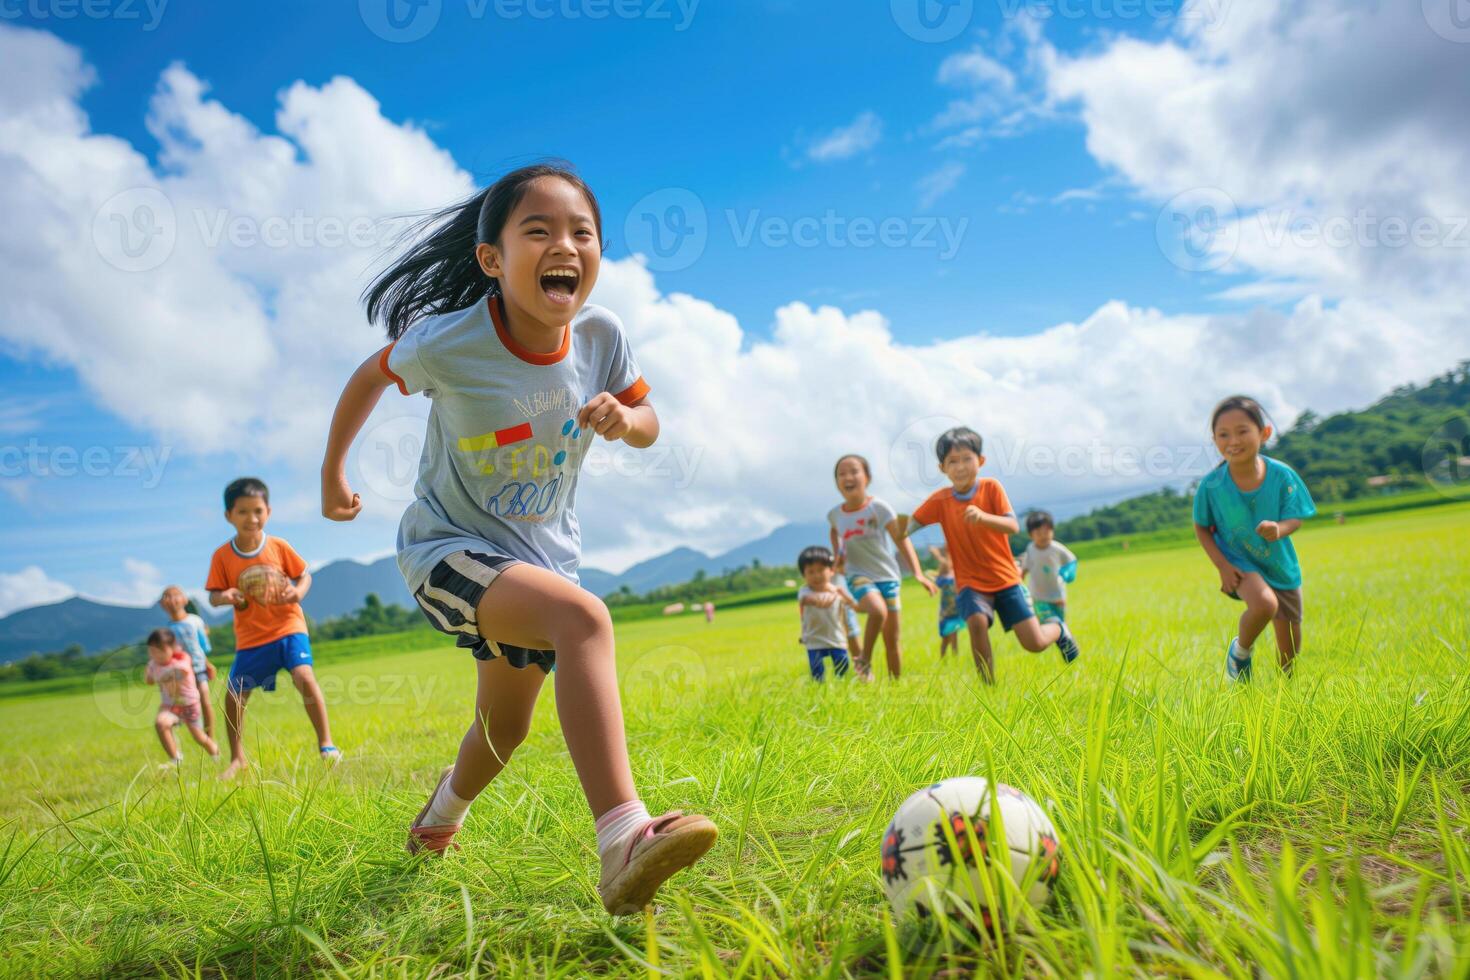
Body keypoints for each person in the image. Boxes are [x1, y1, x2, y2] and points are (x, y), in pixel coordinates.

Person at [319, 163, 716, 914]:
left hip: (539, 562)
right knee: (583, 621)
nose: (563, 244)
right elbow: (369, 376)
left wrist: (625, 421)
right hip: (445, 549)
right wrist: (332, 470)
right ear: (492, 260)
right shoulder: (450, 341)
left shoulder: (601, 336)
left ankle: (434, 825)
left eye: (581, 232)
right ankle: (623, 837)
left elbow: (649, 423)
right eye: (538, 231)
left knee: (504, 727)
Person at [902, 427, 1081, 683]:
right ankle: (989, 688)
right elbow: (906, 527)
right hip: (970, 582)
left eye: (966, 459)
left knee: (1034, 642)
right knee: (975, 622)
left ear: (980, 461)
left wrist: (983, 517)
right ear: (942, 468)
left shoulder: (991, 488)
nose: (960, 466)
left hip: (1005, 579)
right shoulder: (939, 501)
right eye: (952, 461)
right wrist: (885, 526)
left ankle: (1059, 629)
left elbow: (1013, 526)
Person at [206, 478, 340, 779]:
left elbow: (304, 576)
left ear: (267, 511)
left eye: (257, 511)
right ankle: (237, 758)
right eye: (242, 512)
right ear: (229, 515)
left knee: (304, 676)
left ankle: (326, 745)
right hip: (252, 637)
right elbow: (213, 596)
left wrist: (298, 592)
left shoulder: (279, 546)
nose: (251, 518)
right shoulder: (222, 557)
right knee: (234, 695)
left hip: (289, 626)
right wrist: (224, 597)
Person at [1192, 395, 1316, 680]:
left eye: (1242, 431)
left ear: (1264, 433)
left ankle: (1286, 689)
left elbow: (1295, 516)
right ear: (1215, 440)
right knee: (1264, 604)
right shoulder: (1212, 487)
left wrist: (1279, 529)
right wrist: (1222, 566)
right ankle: (1240, 654)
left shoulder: (1282, 475)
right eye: (1223, 434)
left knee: (1290, 643)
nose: (1233, 440)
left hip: (1279, 562)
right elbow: (1201, 527)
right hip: (1238, 560)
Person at [828, 454, 936, 680]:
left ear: (867, 477)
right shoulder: (836, 515)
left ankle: (895, 690)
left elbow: (901, 538)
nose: (848, 477)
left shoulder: (879, 508)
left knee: (892, 640)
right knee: (877, 611)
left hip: (888, 577)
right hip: (858, 575)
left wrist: (917, 573)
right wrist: (838, 556)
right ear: (837, 482)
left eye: (854, 471)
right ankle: (864, 659)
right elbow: (834, 532)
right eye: (842, 473)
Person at [143, 627, 218, 765]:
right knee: (161, 724)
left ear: (173, 648)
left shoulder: (182, 658)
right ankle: (175, 759)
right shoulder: (153, 664)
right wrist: (149, 673)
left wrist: (157, 674)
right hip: (169, 706)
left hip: (189, 705)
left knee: (199, 737)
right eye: (152, 651)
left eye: (161, 651)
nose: (156, 655)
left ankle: (215, 753)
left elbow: (179, 672)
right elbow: (149, 681)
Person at [158, 586, 216, 738]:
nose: (172, 599)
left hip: (199, 668)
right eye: (167, 596)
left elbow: (202, 646)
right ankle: (187, 727)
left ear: (185, 600)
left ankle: (210, 738)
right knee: (184, 702)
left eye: (176, 595)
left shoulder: (196, 621)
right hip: (182, 674)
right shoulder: (168, 630)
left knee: (204, 698)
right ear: (162, 604)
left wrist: (208, 664)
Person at [795, 546, 857, 681]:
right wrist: (828, 597)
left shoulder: (837, 590)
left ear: (831, 571)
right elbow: (813, 600)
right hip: (814, 638)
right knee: (817, 669)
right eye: (810, 572)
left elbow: (853, 605)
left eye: (821, 570)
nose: (816, 575)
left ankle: (841, 685)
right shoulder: (804, 592)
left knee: (842, 663)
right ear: (803, 575)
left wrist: (843, 595)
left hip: (836, 636)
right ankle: (819, 688)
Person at [1018, 512, 1078, 624]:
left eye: (1046, 532)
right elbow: (1025, 568)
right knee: (1046, 621)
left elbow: (1071, 560)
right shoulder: (1030, 549)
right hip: (1037, 596)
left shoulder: (1056, 548)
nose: (1043, 536)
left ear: (1052, 531)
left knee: (1060, 622)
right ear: (1031, 535)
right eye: (1038, 533)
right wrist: (1019, 580)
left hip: (1057, 594)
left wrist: (1069, 572)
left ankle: (1065, 640)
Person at [929, 545, 964, 659]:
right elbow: (945, 565)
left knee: (954, 635)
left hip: (956, 611)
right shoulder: (943, 578)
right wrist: (938, 556)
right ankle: (942, 657)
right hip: (946, 613)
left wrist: (938, 555)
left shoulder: (956, 573)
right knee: (945, 636)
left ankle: (955, 656)